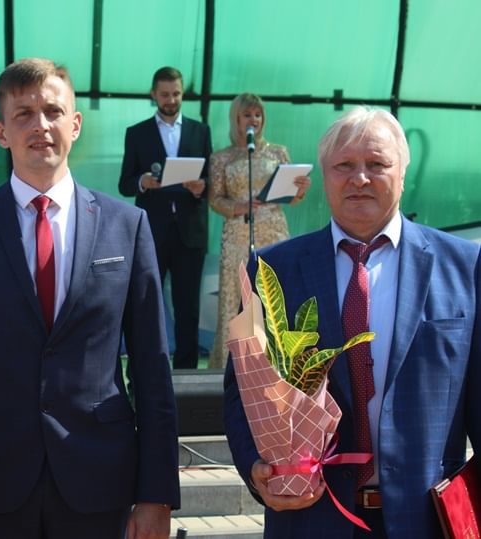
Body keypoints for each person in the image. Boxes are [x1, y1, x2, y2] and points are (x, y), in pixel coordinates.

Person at [0, 58, 180, 539]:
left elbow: (152, 366)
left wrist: (157, 492)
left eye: (53, 111)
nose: (40, 125)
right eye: (23, 114)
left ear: (75, 125)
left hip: (100, 477)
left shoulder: (128, 226)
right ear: (1, 132)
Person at [223, 107, 481, 538]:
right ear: (324, 176)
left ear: (403, 173)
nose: (359, 178)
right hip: (309, 516)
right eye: (344, 165)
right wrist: (256, 467)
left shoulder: (466, 267)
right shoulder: (272, 270)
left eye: (377, 164)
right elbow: (241, 392)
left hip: (427, 519)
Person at [118, 66, 211, 369]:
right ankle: (144, 370)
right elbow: (125, 183)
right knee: (145, 304)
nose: (171, 100)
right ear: (153, 94)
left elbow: (211, 180)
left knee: (188, 308)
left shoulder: (201, 131)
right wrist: (143, 181)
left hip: (190, 233)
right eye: (165, 94)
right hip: (151, 233)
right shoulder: (137, 133)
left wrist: (202, 186)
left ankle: (186, 375)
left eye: (176, 94)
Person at [208, 93, 310, 368]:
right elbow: (214, 199)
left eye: (258, 115)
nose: (253, 120)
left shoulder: (278, 152)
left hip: (273, 230)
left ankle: (275, 364)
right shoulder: (222, 157)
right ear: (236, 119)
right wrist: (238, 207)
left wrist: (299, 190)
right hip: (238, 233)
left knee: (274, 295)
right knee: (237, 296)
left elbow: (290, 196)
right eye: (247, 115)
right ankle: (232, 366)